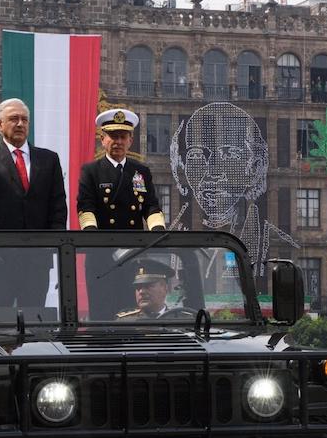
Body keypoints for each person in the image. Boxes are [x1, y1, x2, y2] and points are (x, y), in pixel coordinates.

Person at [172, 102, 298, 276]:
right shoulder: (171, 240)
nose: (213, 173)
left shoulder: (274, 240)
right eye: (197, 156)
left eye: (229, 155)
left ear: (255, 167)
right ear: (182, 165)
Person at [0, 98, 67, 309]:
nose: (20, 124)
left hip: (36, 259)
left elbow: (58, 203)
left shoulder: (49, 159)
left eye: (24, 120)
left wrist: (55, 239)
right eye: (13, 119)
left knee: (34, 320)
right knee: (0, 320)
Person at [77, 109, 165, 231]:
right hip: (102, 243)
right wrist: (91, 233)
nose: (118, 142)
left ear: (130, 141)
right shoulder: (91, 171)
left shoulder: (141, 171)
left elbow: (150, 205)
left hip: (135, 244)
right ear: (102, 139)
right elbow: (86, 207)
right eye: (113, 136)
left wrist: (158, 229)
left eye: (123, 137)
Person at [116, 259, 188, 320]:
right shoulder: (125, 321)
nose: (141, 291)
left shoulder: (183, 320)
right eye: (138, 287)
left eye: (148, 286)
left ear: (164, 289)